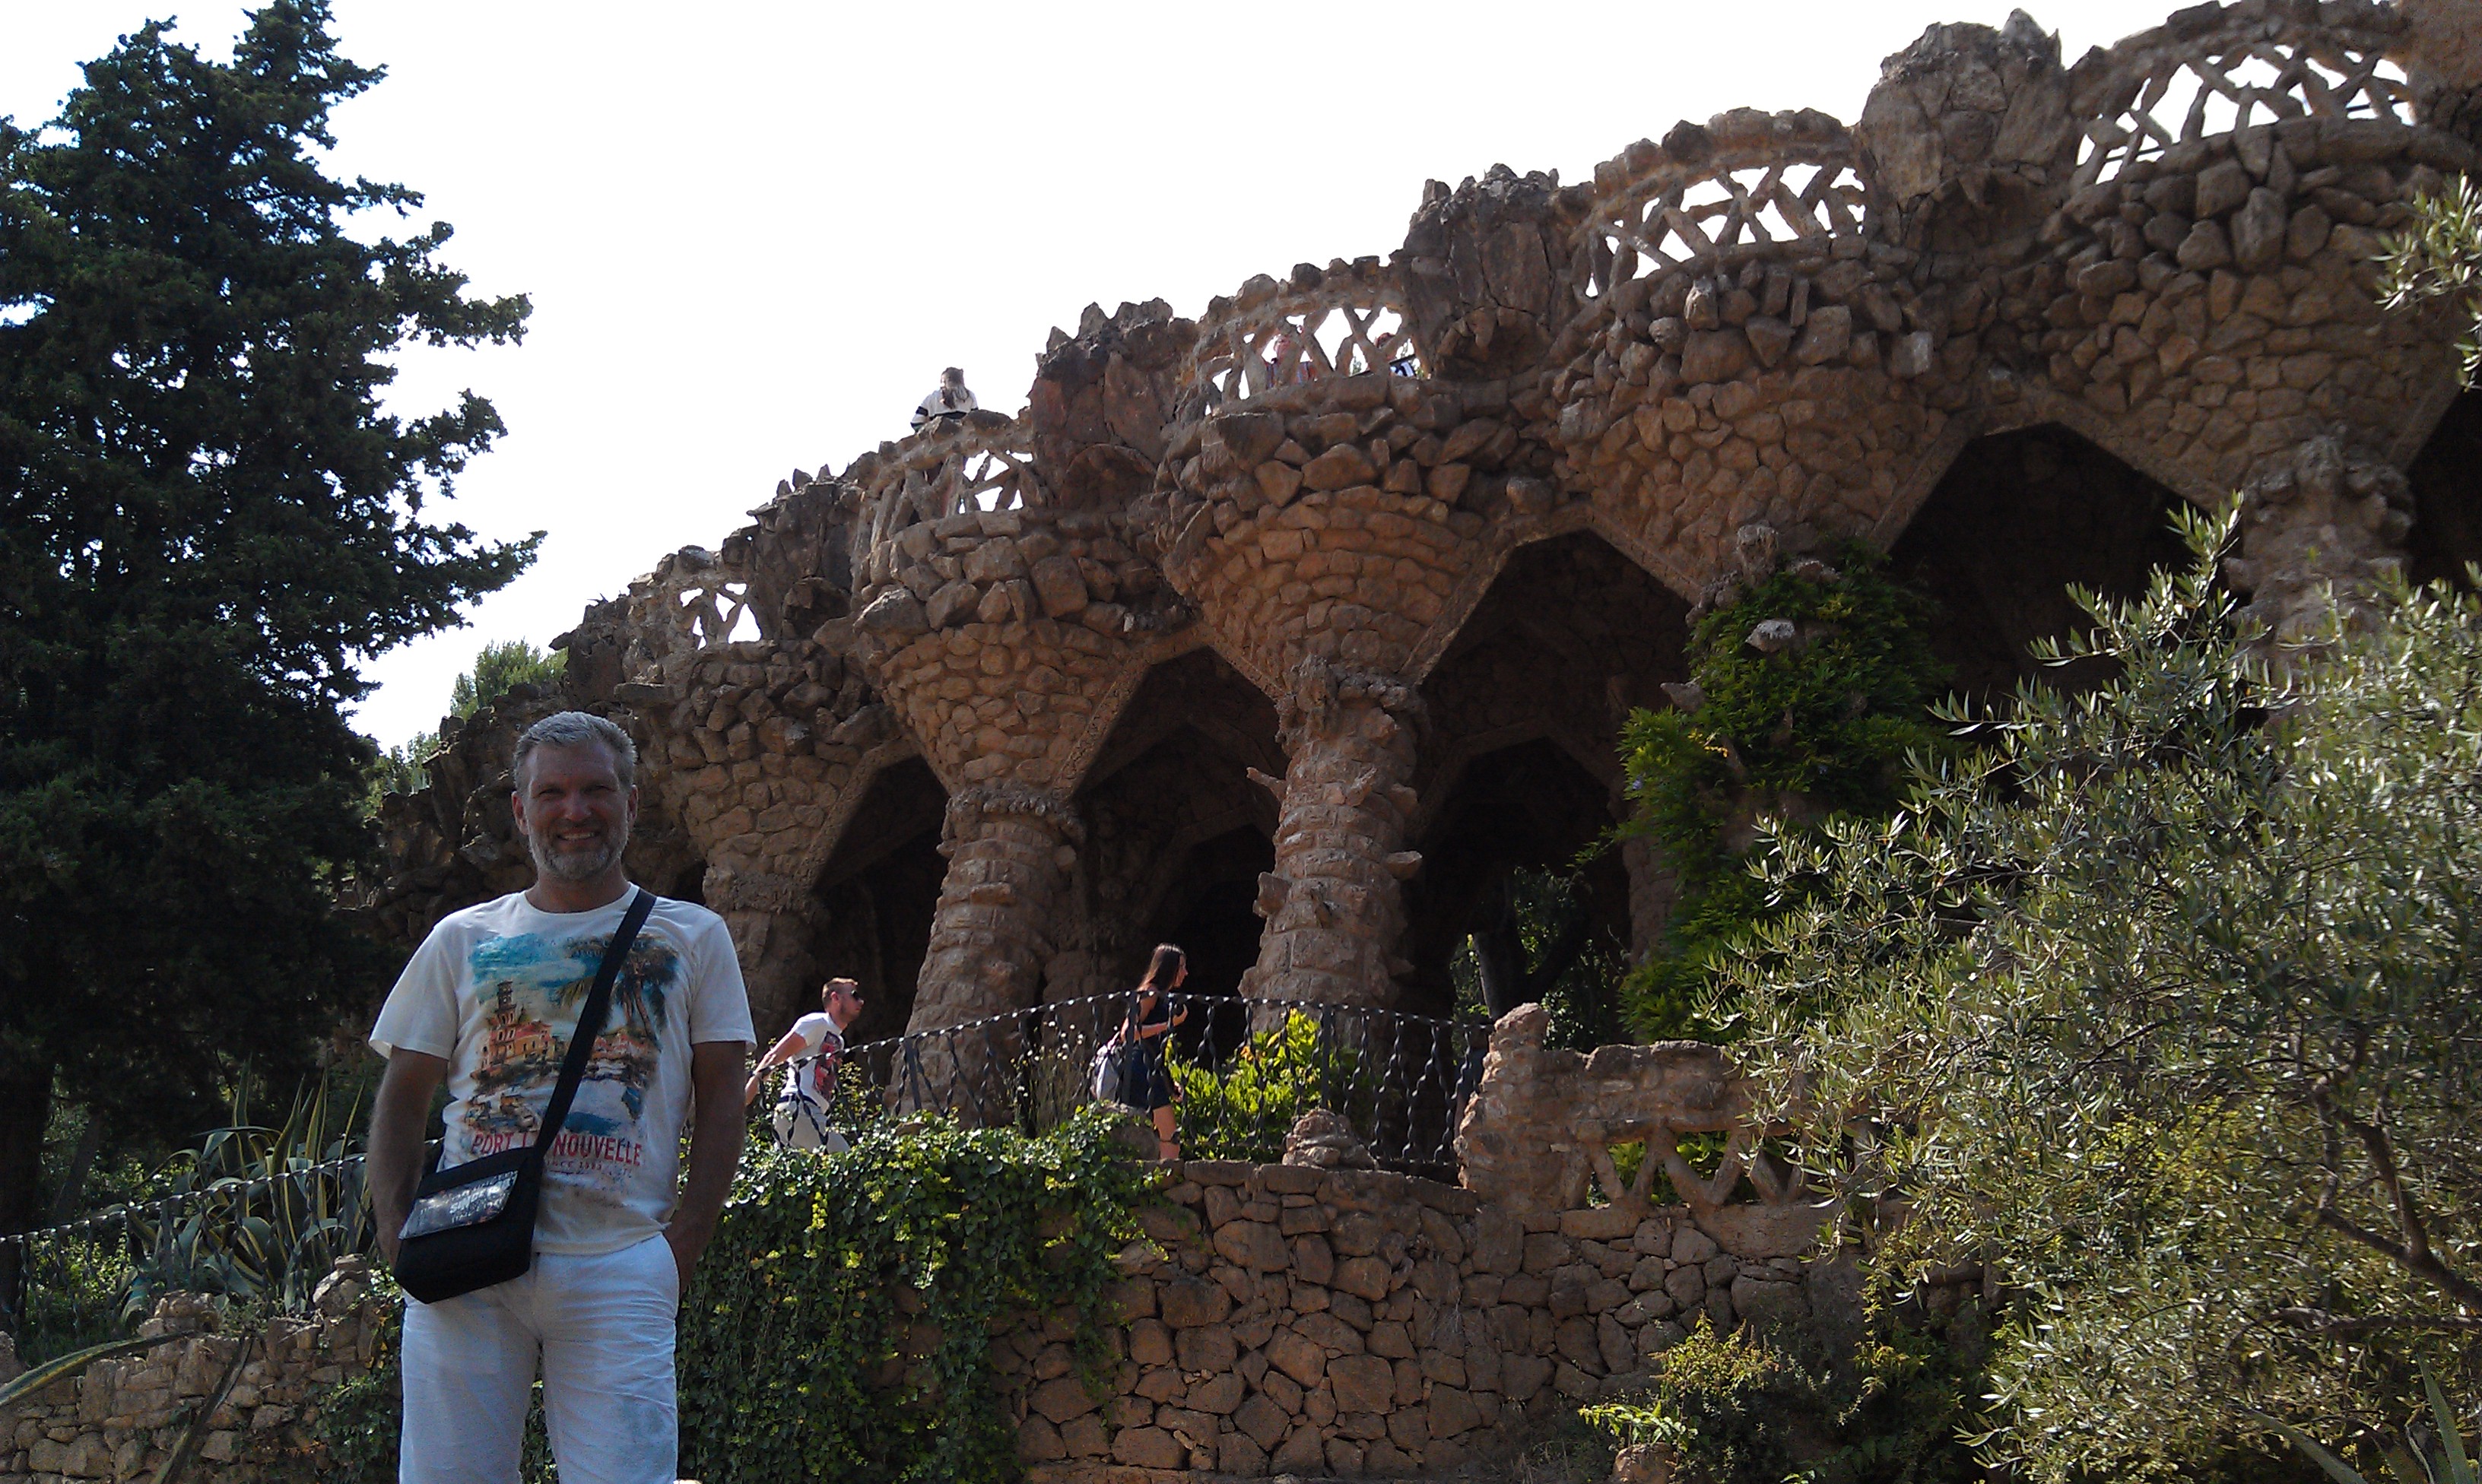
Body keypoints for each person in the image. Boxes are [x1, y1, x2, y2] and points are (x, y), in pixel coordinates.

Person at [367, 712, 754, 1484]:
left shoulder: (694, 936)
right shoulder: (462, 939)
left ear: (630, 803)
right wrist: (394, 1229)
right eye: (552, 793)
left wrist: (681, 1246)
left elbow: (722, 1096)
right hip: (464, 1259)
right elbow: (403, 1094)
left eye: (595, 790)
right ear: (521, 810)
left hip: (620, 1263)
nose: (575, 810)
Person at [744, 977, 865, 1152]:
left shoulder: (838, 1040)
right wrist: (745, 1099)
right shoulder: (817, 1023)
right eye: (854, 995)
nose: (861, 1002)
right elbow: (775, 1056)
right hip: (799, 1107)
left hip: (805, 1112)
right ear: (835, 998)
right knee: (844, 1159)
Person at [1118, 944, 1191, 1160]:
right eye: (1181, 967)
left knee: (1159, 1138)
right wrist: (1169, 1024)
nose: (1185, 973)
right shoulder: (1150, 993)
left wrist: (1169, 1083)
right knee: (1170, 1139)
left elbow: (1154, 1048)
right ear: (1168, 968)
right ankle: (1167, 1181)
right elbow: (1128, 1033)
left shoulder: (1160, 995)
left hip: (1149, 1068)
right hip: (1141, 1070)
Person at [909, 366, 977, 430]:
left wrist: (928, 431)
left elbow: (916, 423)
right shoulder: (970, 396)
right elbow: (977, 421)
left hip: (938, 436)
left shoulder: (932, 397)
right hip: (964, 437)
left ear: (944, 381)